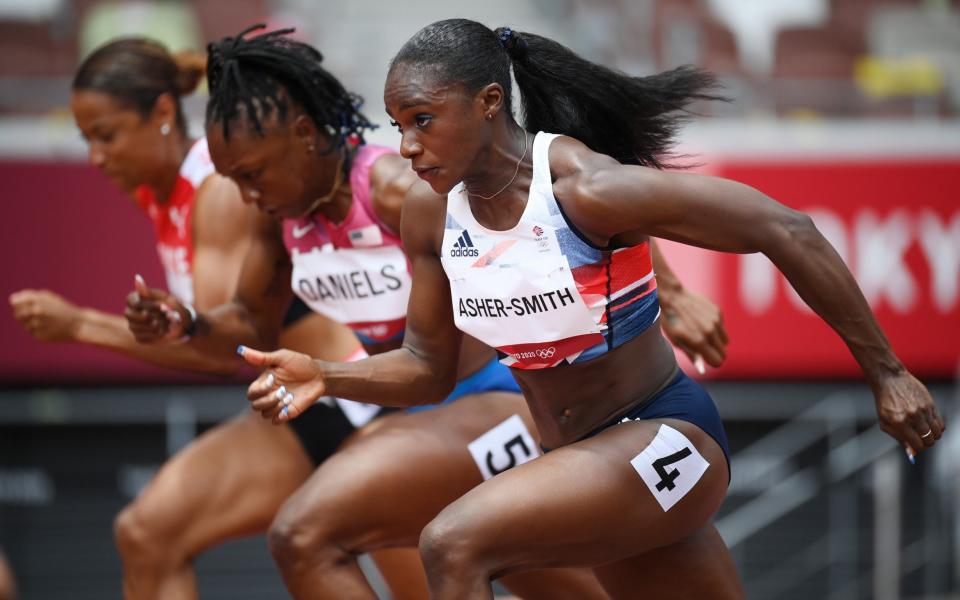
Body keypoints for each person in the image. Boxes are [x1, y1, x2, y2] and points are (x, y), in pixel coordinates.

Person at [237, 18, 945, 599]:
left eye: (423, 120)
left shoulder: (584, 189)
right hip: (574, 457)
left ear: (489, 102)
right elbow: (427, 369)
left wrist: (887, 374)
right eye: (397, 125)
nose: (409, 147)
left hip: (665, 438)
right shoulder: (430, 215)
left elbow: (785, 229)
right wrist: (327, 374)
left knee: (452, 543)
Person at [126, 25, 728, 600]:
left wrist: (671, 297)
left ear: (306, 134)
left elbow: (565, 215)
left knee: (308, 533)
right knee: (529, 578)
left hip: (489, 399)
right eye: (233, 181)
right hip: (406, 408)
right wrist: (185, 324)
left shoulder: (391, 189)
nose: (247, 195)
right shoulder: (279, 219)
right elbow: (247, 327)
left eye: (253, 174)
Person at [8, 37, 426, 600]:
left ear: (161, 114)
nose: (96, 157)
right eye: (87, 140)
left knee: (415, 572)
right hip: (298, 403)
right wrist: (178, 321)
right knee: (149, 533)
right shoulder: (164, 193)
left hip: (351, 399)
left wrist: (82, 326)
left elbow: (223, 349)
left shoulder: (219, 189)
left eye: (106, 136)